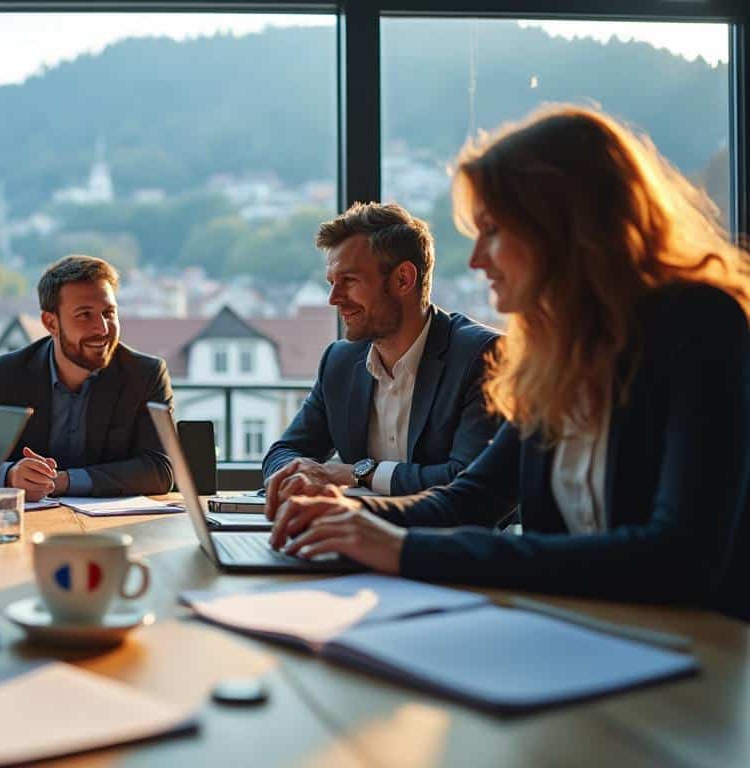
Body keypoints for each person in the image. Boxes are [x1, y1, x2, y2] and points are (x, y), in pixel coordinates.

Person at [270, 105, 750, 618]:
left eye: (492, 229)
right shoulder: (554, 351)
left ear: (563, 226)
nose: (477, 259)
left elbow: (677, 555)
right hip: (581, 638)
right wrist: (345, 515)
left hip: (694, 657)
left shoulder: (700, 324)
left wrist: (399, 545)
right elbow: (469, 499)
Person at [262, 202, 501, 507]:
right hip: (348, 540)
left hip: (446, 548)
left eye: (349, 281)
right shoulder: (340, 362)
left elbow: (467, 484)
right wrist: (301, 473)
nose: (334, 299)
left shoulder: (481, 357)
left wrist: (360, 474)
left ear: (403, 279)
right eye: (331, 283)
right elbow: (282, 453)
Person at [0, 255, 174, 500]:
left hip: (111, 529)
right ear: (50, 323)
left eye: (108, 313)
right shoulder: (6, 374)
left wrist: (65, 481)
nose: (103, 328)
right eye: (85, 315)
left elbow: (160, 470)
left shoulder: (145, 375)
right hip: (28, 526)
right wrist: (10, 475)